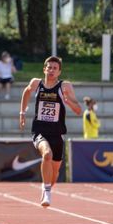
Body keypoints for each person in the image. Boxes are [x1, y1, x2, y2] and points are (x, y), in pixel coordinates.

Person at [19, 56, 82, 207]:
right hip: (39, 130)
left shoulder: (64, 86)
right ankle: (46, 191)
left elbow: (79, 110)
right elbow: (26, 92)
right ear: (44, 69)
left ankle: (47, 186)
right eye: (49, 67)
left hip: (57, 133)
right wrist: (22, 112)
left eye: (55, 68)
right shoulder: (36, 83)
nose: (51, 70)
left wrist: (68, 101)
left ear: (59, 72)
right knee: (47, 154)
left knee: (54, 174)